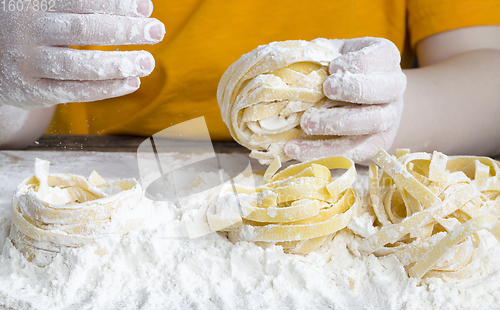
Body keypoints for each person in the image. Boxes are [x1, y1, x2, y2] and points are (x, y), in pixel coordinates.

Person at [0, 0, 499, 163]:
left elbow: (487, 75)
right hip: (92, 171)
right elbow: (30, 103)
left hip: (332, 172)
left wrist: (389, 113)